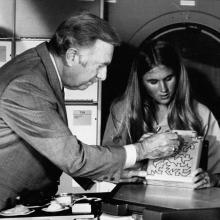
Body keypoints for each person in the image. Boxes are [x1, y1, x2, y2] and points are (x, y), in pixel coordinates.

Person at [0, 12, 180, 210]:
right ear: (72, 56)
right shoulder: (27, 85)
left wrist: (114, 171)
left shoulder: (39, 70)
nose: (103, 76)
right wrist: (142, 150)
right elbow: (74, 158)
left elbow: (55, 149)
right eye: (100, 65)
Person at [102, 40, 220, 189]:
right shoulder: (122, 110)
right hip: (134, 196)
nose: (163, 89)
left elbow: (218, 172)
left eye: (168, 78)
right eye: (153, 81)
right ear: (140, 81)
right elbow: (105, 164)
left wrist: (213, 180)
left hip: (184, 201)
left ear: (179, 75)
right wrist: (137, 154)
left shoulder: (201, 113)